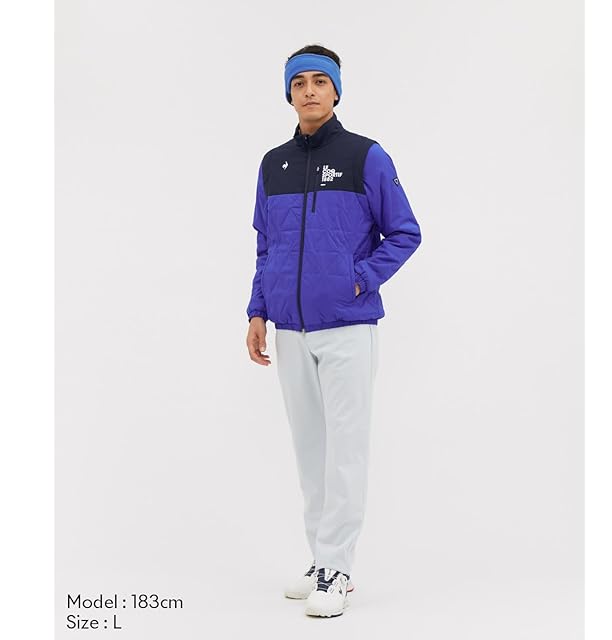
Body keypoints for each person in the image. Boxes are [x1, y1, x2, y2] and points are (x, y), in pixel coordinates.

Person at [245, 44, 422, 618]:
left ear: (337, 90)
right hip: (290, 330)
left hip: (347, 326)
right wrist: (257, 310)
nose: (310, 91)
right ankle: (321, 556)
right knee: (310, 451)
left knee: (345, 451)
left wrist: (359, 280)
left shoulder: (365, 156)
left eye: (320, 81)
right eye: (299, 82)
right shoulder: (273, 164)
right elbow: (266, 245)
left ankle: (338, 568)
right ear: (288, 93)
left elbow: (405, 232)